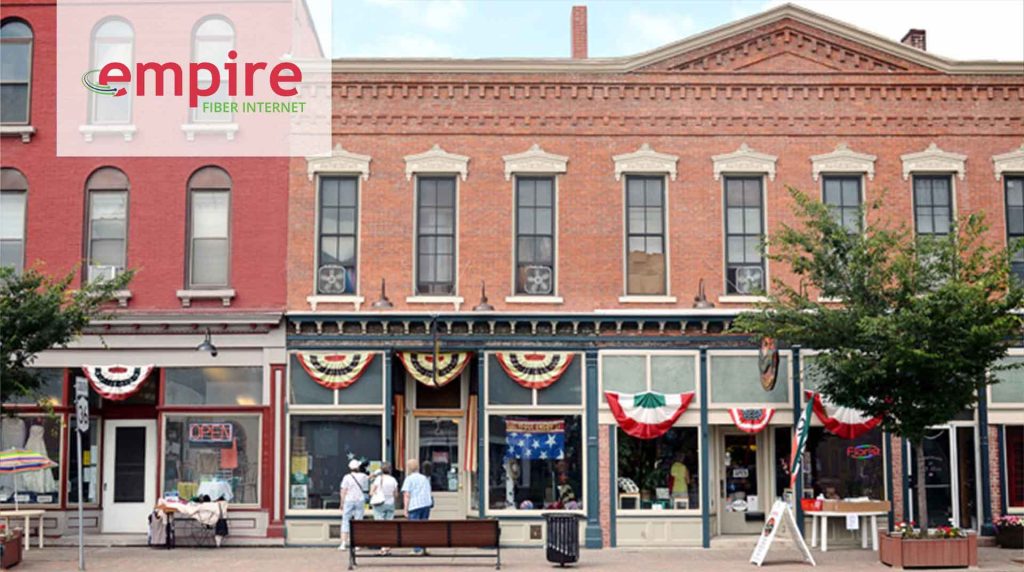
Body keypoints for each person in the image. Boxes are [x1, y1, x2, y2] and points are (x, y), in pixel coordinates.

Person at [400, 459, 433, 555]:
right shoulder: (424, 478)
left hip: (414, 505)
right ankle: (423, 547)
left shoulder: (409, 479)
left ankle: (417, 549)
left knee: (414, 528)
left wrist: (405, 509)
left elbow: (406, 494)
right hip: (425, 505)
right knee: (423, 527)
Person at [369, 463, 399, 555]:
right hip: (390, 503)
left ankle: (383, 547)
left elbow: (371, 492)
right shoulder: (393, 480)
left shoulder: (378, 479)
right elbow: (396, 494)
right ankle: (387, 546)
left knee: (380, 525)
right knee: (388, 525)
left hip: (379, 504)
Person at [339, 458, 368, 552]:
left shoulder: (346, 477)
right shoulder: (363, 476)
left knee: (345, 520)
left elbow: (343, 490)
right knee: (358, 521)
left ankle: (343, 543)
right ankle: (357, 544)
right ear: (358, 467)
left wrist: (342, 502)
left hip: (349, 500)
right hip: (360, 499)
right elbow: (369, 479)